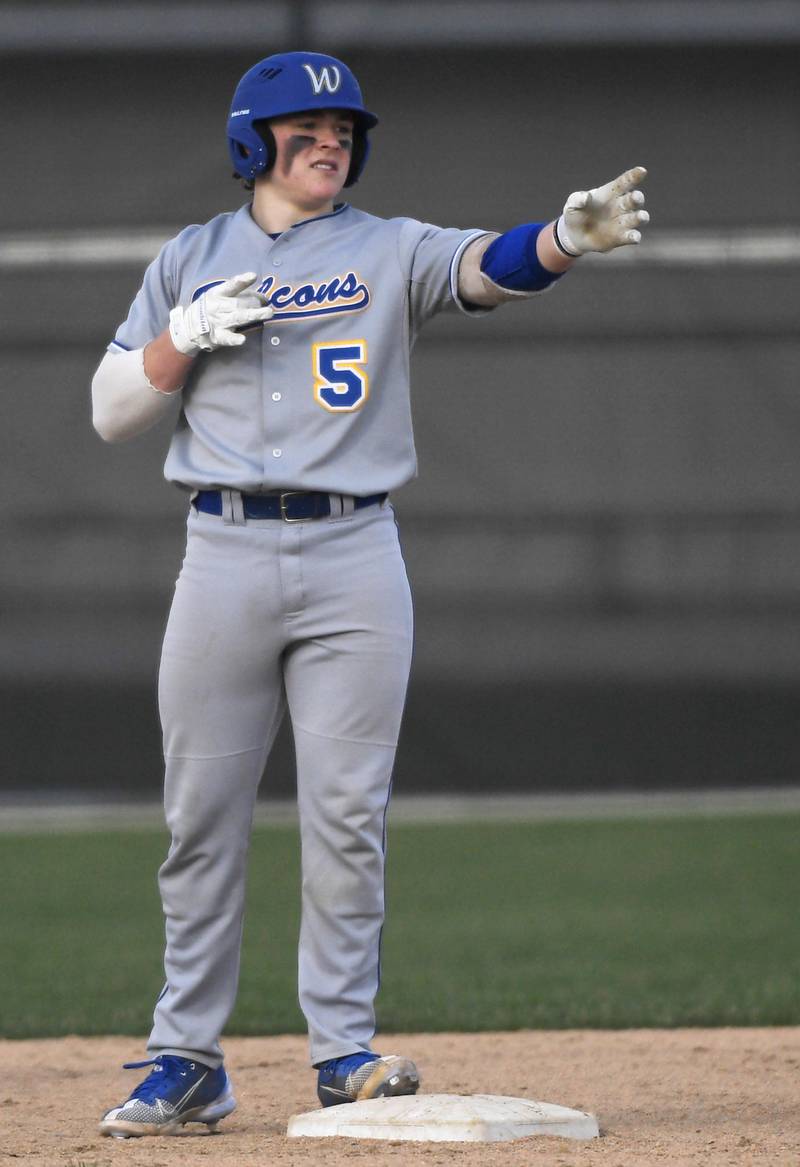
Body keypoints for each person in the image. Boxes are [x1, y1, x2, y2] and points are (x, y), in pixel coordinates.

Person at [92, 50, 649, 1138]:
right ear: (253, 142)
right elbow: (113, 410)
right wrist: (181, 336)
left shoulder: (387, 247)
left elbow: (490, 267)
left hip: (354, 552)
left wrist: (563, 239)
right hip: (224, 551)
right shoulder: (191, 256)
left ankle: (342, 1050)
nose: (331, 141)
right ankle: (186, 1060)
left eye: (343, 128)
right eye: (305, 128)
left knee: (346, 816)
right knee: (199, 818)